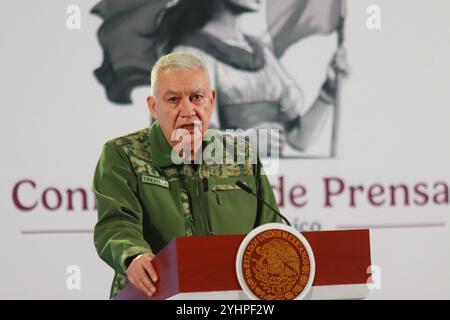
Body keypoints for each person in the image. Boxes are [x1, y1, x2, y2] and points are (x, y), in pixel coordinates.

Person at [93, 52, 281, 299]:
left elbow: (270, 230)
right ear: (153, 106)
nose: (188, 110)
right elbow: (117, 222)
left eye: (196, 97)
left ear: (211, 101)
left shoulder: (241, 154)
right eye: (173, 99)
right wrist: (133, 255)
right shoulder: (123, 154)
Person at [92, 0, 349, 157]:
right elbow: (184, 146)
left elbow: (299, 139)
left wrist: (329, 89)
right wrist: (246, 143)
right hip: (220, 198)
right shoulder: (189, 55)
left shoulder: (262, 52)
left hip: (279, 193)